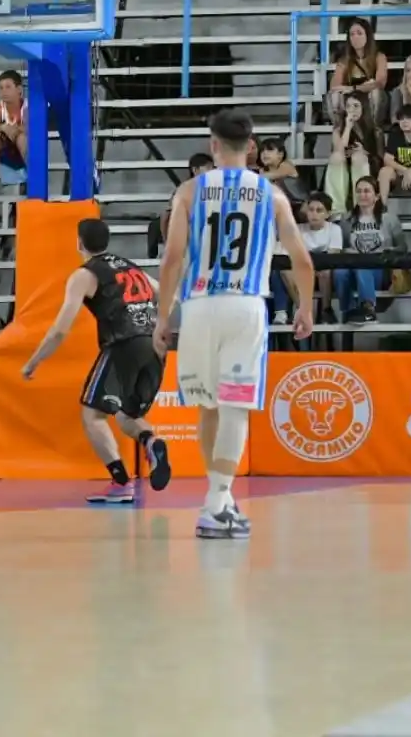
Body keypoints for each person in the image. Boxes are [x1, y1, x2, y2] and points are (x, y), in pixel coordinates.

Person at [154, 109, 315, 540]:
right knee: (235, 407)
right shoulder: (273, 195)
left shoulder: (189, 191)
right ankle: (216, 501)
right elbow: (302, 258)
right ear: (253, 147)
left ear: (213, 145)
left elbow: (171, 259)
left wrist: (161, 314)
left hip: (200, 303)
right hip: (245, 304)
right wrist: (306, 307)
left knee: (207, 406)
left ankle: (219, 500)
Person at [22, 218, 172, 504]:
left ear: (79, 243)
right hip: (155, 345)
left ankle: (120, 482)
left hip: (123, 344)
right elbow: (168, 295)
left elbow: (59, 330)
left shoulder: (84, 274)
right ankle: (152, 443)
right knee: (128, 415)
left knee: (92, 415)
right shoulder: (129, 266)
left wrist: (33, 362)